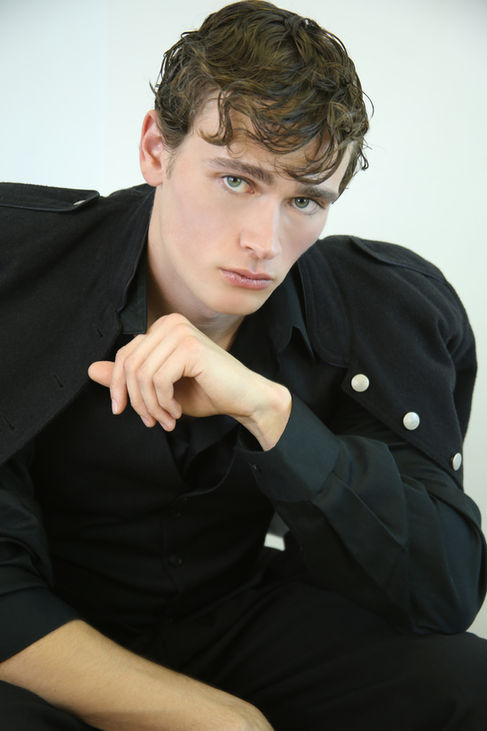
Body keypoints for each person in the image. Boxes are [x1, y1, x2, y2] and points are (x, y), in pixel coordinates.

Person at [0, 1, 486, 729]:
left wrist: (273, 415)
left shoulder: (375, 306)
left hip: (229, 617)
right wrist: (221, 719)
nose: (265, 241)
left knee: (466, 686)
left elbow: (441, 590)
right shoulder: (18, 265)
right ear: (155, 150)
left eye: (305, 200)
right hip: (40, 640)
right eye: (237, 180)